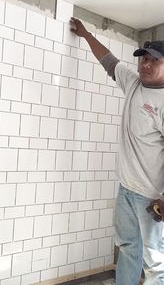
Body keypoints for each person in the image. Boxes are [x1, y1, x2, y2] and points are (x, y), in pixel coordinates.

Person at [70, 17, 164, 285]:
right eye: (143, 59)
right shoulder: (134, 83)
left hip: (151, 200)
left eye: (154, 60)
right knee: (126, 248)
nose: (145, 64)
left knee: (156, 263)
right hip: (126, 189)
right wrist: (86, 34)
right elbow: (108, 61)